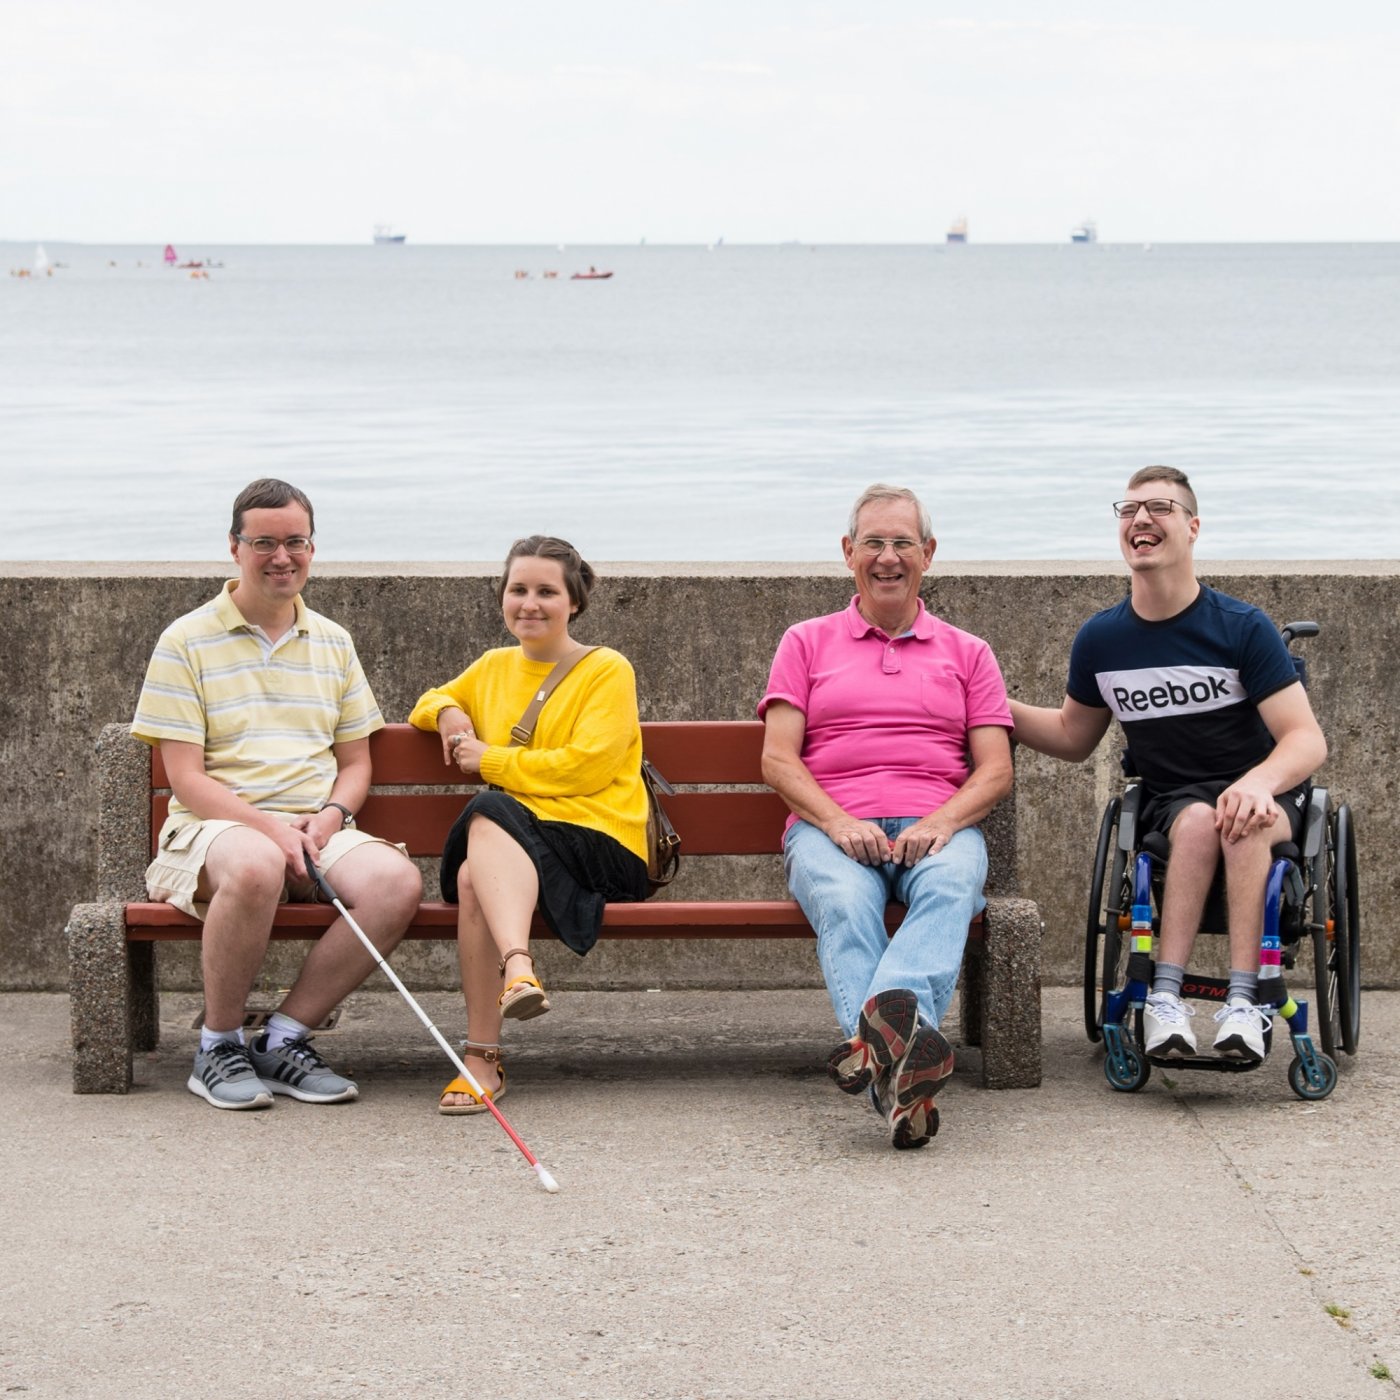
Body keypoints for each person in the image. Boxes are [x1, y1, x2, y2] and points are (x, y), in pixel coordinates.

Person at [1011, 465, 1327, 1062]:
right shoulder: (1102, 640)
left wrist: (1258, 783)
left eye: (1158, 508)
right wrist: (985, 705)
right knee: (1203, 819)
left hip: (1266, 796)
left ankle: (1247, 1003)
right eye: (1128, 510)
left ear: (1192, 526)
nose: (1140, 520)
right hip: (1172, 799)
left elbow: (1306, 740)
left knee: (1237, 815)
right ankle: (1164, 997)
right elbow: (1072, 735)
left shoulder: (1241, 628)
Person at [132, 478, 422, 1110]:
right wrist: (270, 830)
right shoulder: (185, 641)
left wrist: (330, 817)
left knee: (396, 883)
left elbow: (355, 764)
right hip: (216, 831)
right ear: (234, 548)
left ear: (313, 549)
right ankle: (218, 1045)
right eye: (264, 542)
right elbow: (187, 779)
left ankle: (284, 1039)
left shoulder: (334, 642)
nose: (282, 556)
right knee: (259, 865)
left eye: (296, 542)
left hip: (316, 829)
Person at [759, 484, 1014, 1149]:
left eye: (903, 543)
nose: (888, 557)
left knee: (953, 887)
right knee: (844, 901)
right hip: (829, 830)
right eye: (873, 542)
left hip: (939, 827)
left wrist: (945, 820)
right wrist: (838, 822)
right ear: (848, 553)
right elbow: (779, 761)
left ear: (928, 554)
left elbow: (995, 769)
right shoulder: (806, 642)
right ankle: (906, 1071)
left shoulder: (969, 652)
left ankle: (878, 1061)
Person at [408, 536, 649, 1114]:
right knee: (472, 877)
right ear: (502, 597)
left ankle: (511, 980)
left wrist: (489, 760)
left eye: (547, 591)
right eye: (518, 590)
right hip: (520, 847)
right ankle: (486, 1048)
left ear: (574, 602)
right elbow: (429, 699)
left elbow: (589, 768)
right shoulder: (493, 667)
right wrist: (449, 711)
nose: (530, 603)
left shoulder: (605, 669)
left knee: (489, 808)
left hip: (603, 842)